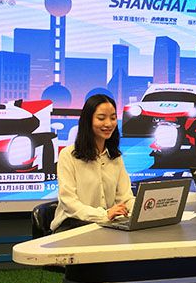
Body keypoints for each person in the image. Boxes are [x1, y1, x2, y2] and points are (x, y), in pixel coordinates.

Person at [50, 94, 134, 232]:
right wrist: (104, 215)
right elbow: (70, 203)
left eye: (113, 118)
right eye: (101, 118)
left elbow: (125, 198)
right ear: (88, 121)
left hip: (104, 225)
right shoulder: (68, 155)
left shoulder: (115, 157)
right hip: (72, 225)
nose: (108, 124)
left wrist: (146, 209)